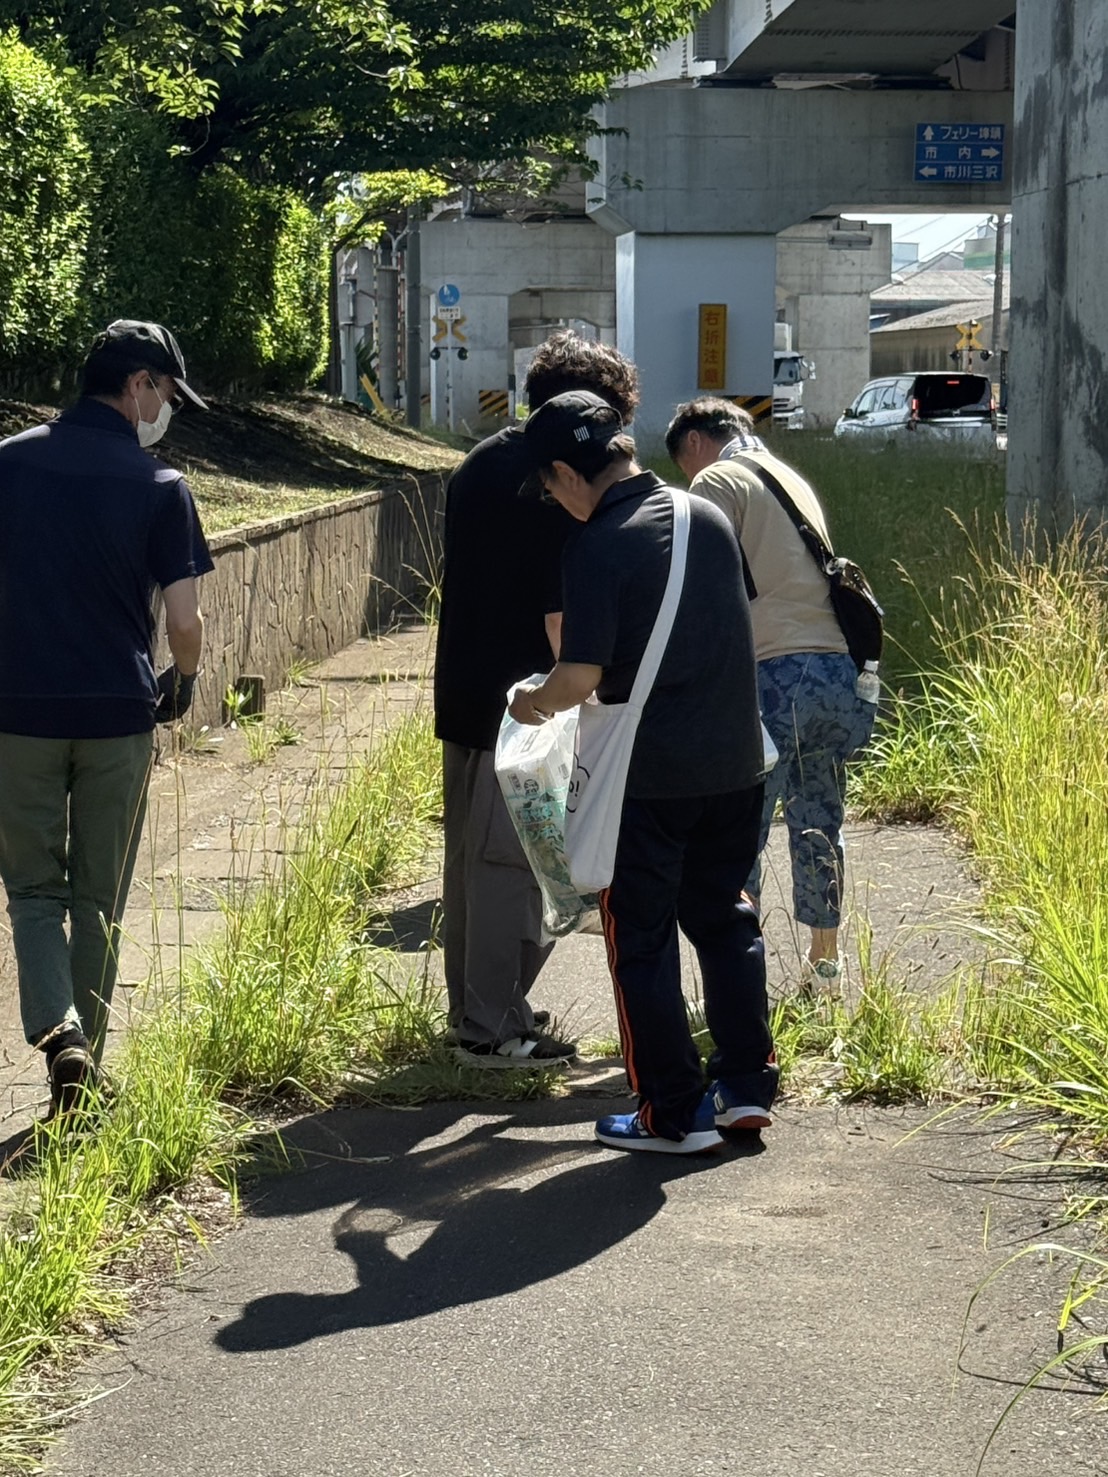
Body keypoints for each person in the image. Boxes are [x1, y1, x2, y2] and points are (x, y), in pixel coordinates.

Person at [509, 391, 777, 1153]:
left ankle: (671, 1112)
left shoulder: (596, 546)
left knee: (643, 939)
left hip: (648, 783)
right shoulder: (709, 517)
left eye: (552, 485)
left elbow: (578, 678)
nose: (556, 501)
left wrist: (529, 704)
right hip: (734, 766)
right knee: (725, 919)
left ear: (566, 471)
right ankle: (745, 1087)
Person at [0, 319, 213, 1115]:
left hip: (17, 709)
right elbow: (186, 624)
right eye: (166, 394)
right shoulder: (160, 487)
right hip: (120, 713)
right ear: (138, 387)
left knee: (30, 888)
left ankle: (61, 1040)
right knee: (98, 898)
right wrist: (183, 681)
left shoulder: (10, 464)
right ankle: (81, 1071)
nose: (167, 412)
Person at [434, 332, 640, 1068]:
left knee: (472, 867)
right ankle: (490, 1030)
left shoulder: (478, 463)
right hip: (522, 708)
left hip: (463, 690)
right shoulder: (550, 483)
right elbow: (560, 617)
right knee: (509, 870)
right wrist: (578, 699)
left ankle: (481, 1011)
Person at [664, 397, 876, 992]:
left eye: (683, 466)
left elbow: (698, 582)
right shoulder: (790, 476)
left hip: (774, 674)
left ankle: (738, 985)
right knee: (817, 820)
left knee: (737, 829)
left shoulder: (716, 478)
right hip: (834, 672)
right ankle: (825, 966)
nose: (687, 478)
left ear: (696, 445)